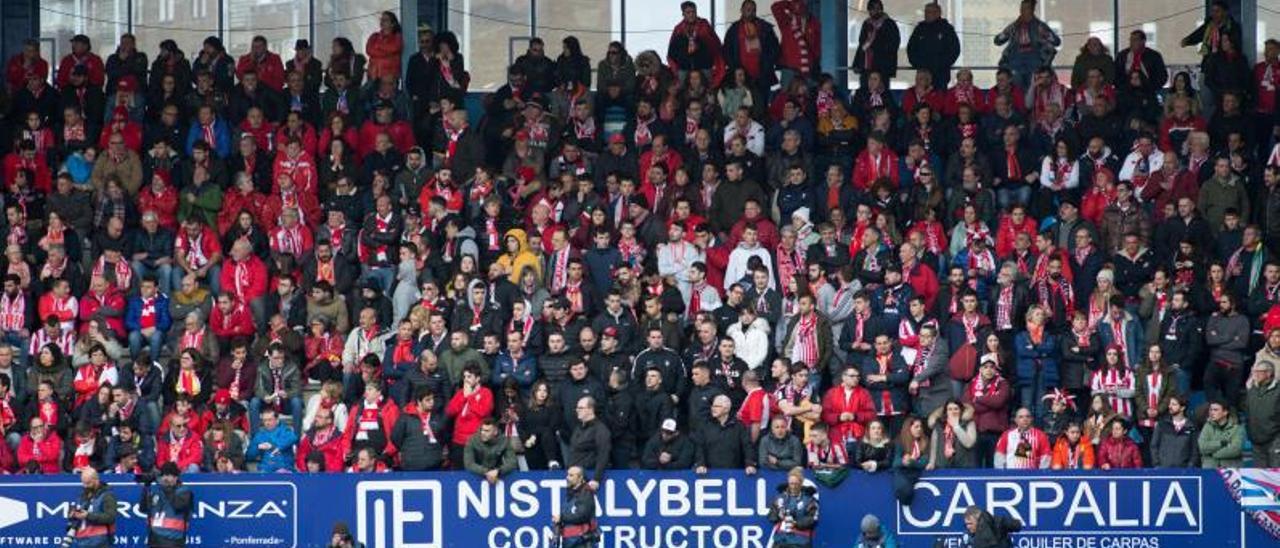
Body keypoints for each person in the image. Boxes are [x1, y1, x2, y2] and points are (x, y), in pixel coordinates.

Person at [994, 0, 1061, 89]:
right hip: (1016, 60)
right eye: (1021, 9)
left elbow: (1056, 42)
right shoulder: (1014, 26)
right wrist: (1008, 30)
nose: (1022, 12)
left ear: (1032, 10)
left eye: (1025, 9)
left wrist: (1046, 34)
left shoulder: (1039, 25)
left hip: (1034, 60)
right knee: (1016, 86)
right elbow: (997, 41)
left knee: (1033, 88)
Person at [906, 2, 961, 89]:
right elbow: (911, 48)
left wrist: (941, 64)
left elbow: (954, 50)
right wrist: (918, 64)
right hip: (922, 74)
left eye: (930, 12)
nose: (927, 14)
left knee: (939, 100)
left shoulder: (946, 29)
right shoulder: (919, 29)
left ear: (938, 13)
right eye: (926, 12)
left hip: (940, 74)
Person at [140, 462, 194, 548]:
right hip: (155, 541)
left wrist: (163, 486)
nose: (165, 478)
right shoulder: (157, 492)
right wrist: (146, 487)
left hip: (174, 541)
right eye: (163, 475)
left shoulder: (184, 492)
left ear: (176, 477)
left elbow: (178, 505)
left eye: (169, 475)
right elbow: (142, 508)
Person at [766, 467, 818, 547]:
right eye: (791, 483)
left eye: (796, 484)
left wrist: (796, 523)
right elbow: (771, 515)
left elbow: (812, 519)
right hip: (780, 540)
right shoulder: (780, 497)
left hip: (800, 541)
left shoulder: (809, 499)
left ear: (801, 483)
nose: (793, 487)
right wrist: (778, 515)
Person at [552, 465, 599, 547]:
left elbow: (581, 515)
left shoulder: (585, 493)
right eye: (567, 475)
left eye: (571, 475)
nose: (567, 478)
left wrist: (561, 517)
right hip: (570, 541)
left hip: (581, 542)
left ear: (580, 478)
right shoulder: (571, 493)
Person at [68, 468, 117, 547]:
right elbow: (75, 518)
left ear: (96, 480)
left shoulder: (107, 496)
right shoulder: (82, 496)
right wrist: (73, 514)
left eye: (88, 483)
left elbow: (110, 517)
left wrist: (87, 515)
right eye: (83, 483)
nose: (85, 486)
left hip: (100, 543)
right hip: (82, 542)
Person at [1244, 361, 1280, 467]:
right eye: (1254, 372)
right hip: (1256, 440)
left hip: (1275, 439)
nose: (1255, 375)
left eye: (1258, 372)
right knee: (1260, 475)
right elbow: (1248, 412)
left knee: (1276, 474)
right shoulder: (1252, 390)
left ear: (1268, 373)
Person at [463, 418, 516, 484]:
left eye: (487, 431)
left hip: (497, 474)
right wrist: (487, 472)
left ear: (495, 432)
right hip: (477, 475)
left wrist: (498, 471)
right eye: (482, 430)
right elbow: (469, 464)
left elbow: (512, 462)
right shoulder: (472, 440)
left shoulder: (504, 441)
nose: (482, 433)